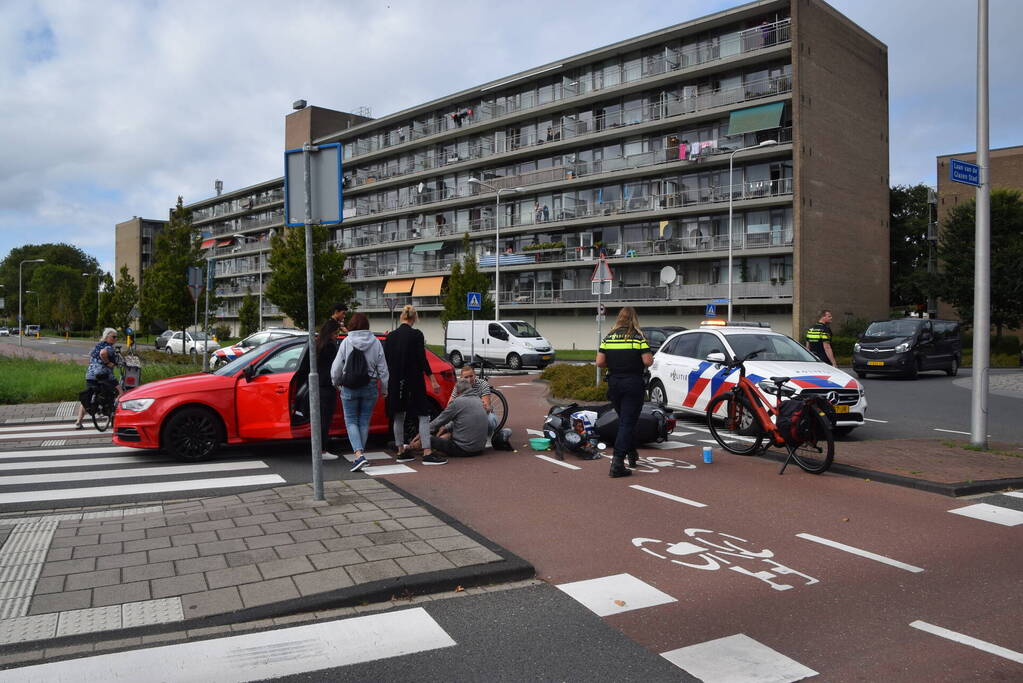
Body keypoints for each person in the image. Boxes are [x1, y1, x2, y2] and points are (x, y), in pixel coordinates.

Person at [595, 307, 653, 478]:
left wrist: (615, 363)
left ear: (619, 319)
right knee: (628, 422)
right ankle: (617, 463)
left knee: (625, 421)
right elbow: (647, 361)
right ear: (634, 319)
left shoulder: (609, 337)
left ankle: (632, 453)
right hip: (633, 384)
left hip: (614, 383)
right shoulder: (638, 337)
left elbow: (599, 362)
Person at [384, 305, 444, 465]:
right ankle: (427, 452)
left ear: (402, 317)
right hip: (414, 381)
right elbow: (422, 359)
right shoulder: (416, 335)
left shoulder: (390, 337)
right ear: (414, 318)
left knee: (398, 416)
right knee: (423, 415)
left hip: (396, 382)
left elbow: (386, 361)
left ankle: (401, 451)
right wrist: (432, 378)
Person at [331, 313, 388, 472]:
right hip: (370, 384)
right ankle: (360, 455)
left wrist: (335, 382)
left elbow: (336, 367)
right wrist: (384, 389)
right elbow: (383, 369)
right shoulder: (376, 343)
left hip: (349, 386)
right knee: (364, 421)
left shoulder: (347, 342)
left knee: (350, 420)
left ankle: (359, 455)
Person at [427, 379, 489, 458]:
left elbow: (439, 421)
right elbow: (465, 421)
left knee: (428, 439)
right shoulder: (480, 401)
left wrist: (422, 433)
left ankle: (410, 447)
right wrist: (446, 428)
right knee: (447, 434)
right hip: (479, 449)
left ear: (458, 393)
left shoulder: (457, 402)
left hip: (464, 449)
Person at [74, 328, 123, 429]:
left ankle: (78, 421)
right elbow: (103, 353)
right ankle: (115, 416)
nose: (116, 339)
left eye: (116, 337)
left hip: (90, 375)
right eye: (114, 337)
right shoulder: (108, 347)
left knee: (88, 397)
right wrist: (107, 363)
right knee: (120, 392)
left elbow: (92, 357)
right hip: (103, 374)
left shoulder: (96, 346)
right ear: (107, 337)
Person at [313, 318, 342, 461]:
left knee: (320, 419)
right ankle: (322, 450)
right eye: (336, 333)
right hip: (328, 385)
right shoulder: (330, 346)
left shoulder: (318, 343)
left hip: (318, 385)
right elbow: (336, 367)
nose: (337, 336)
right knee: (325, 419)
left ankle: (319, 448)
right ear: (330, 332)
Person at [444, 365, 498, 438]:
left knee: (490, 420)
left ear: (475, 375)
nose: (469, 379)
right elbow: (449, 405)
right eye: (466, 377)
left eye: (471, 376)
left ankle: (488, 437)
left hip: (481, 414)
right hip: (465, 414)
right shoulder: (458, 386)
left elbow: (486, 407)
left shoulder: (483, 384)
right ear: (461, 378)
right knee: (447, 424)